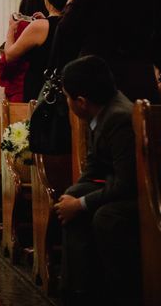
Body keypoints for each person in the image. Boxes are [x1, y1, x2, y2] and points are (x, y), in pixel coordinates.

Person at [55, 55, 139, 305]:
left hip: (138, 194)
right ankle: (76, 287)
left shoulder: (119, 117)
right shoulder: (101, 110)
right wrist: (74, 196)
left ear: (81, 101)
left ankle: (101, 292)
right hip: (119, 184)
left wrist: (80, 204)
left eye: (67, 97)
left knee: (103, 216)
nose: (67, 102)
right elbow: (94, 167)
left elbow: (127, 183)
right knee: (73, 191)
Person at [3, 0, 69, 101]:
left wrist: (11, 29)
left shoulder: (40, 26)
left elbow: (9, 55)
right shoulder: (71, 23)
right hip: (65, 90)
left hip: (40, 90)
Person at [0, 0, 48, 102]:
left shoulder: (23, 27)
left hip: (22, 89)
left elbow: (8, 61)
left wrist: (10, 30)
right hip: (44, 87)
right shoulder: (51, 25)